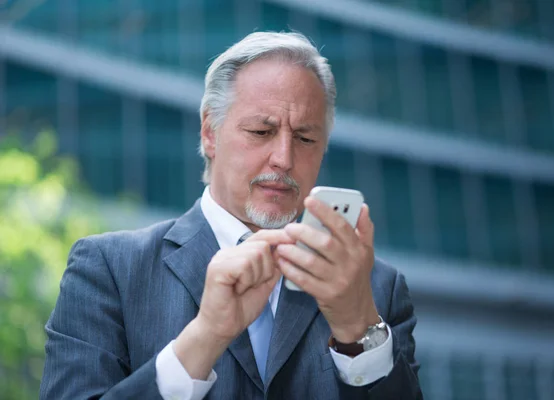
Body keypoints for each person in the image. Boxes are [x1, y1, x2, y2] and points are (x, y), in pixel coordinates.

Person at [40, 31, 422, 400]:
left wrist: (359, 331)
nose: (284, 159)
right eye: (260, 131)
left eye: (306, 138)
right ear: (210, 132)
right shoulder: (110, 270)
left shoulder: (376, 289)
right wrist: (203, 338)